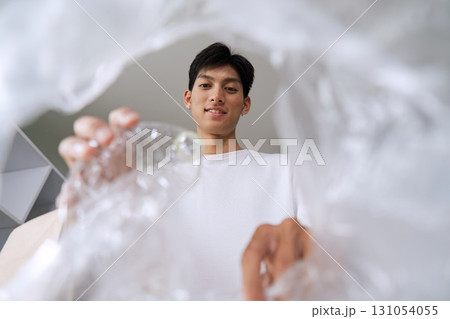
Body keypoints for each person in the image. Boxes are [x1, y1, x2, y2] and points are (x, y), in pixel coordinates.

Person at [0, 43, 311, 300]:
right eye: (205, 85)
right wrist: (92, 214)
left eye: (230, 89)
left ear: (245, 105)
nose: (217, 95)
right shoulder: (151, 185)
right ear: (189, 99)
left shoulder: (287, 171)